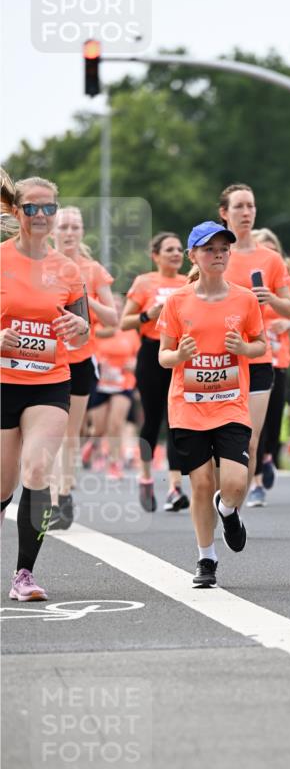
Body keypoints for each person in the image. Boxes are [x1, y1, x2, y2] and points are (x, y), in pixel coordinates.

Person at [157, 221, 265, 587]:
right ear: (194, 256)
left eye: (223, 249)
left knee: (234, 482)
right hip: (187, 406)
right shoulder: (177, 301)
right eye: (209, 249)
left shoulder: (245, 299)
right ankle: (206, 558)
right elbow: (163, 357)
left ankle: (228, 509)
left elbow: (260, 345)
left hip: (230, 403)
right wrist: (179, 354)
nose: (217, 255)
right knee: (201, 483)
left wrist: (243, 349)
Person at [1, 172, 89, 600]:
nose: (41, 215)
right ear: (17, 211)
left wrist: (79, 325)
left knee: (37, 469)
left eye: (49, 208)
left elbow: (84, 329)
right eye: (32, 207)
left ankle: (23, 576)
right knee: (2, 486)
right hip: (2, 380)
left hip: (50, 382)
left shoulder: (68, 269)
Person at [217, 185, 290, 504]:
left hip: (259, 358)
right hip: (220, 359)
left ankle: (233, 508)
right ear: (225, 213)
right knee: (218, 439)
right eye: (239, 207)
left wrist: (272, 299)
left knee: (249, 440)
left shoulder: (271, 259)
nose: (246, 213)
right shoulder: (216, 253)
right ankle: (221, 494)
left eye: (251, 206)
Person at [49, 206, 118, 529]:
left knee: (70, 432)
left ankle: (63, 495)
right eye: (63, 226)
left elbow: (113, 319)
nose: (69, 233)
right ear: (53, 230)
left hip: (79, 360)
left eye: (75, 227)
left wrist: (86, 298)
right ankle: (51, 496)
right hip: (45, 359)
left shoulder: (92, 270)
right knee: (48, 431)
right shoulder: (42, 266)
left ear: (81, 232)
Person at [121, 232, 189, 513]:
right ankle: (146, 476)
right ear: (156, 255)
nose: (175, 254)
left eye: (179, 249)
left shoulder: (189, 283)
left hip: (179, 355)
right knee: (152, 418)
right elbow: (125, 322)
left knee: (177, 420)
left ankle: (175, 488)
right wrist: (151, 313)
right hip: (151, 352)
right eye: (169, 249)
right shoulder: (145, 282)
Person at [249, 227, 290, 501]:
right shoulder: (246, 277)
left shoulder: (286, 283)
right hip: (254, 356)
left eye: (272, 248)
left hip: (278, 358)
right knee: (254, 426)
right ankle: (256, 482)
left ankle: (268, 456)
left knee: (273, 416)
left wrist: (286, 323)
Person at [86, 293, 141, 478]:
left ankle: (114, 464)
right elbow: (88, 353)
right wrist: (100, 363)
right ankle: (92, 445)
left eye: (119, 307)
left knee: (116, 425)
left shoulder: (130, 331)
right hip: (101, 384)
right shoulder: (98, 330)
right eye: (113, 307)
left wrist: (134, 364)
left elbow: (140, 357)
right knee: (99, 428)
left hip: (124, 383)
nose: (116, 310)